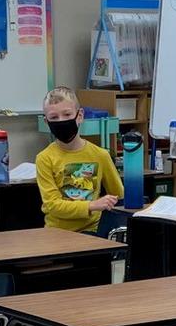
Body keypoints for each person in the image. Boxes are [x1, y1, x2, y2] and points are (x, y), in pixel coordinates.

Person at [37, 87, 121, 234]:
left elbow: (118, 194)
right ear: (46, 121)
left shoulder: (100, 155)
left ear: (80, 115)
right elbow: (53, 205)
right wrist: (91, 205)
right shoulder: (44, 158)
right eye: (54, 117)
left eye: (67, 114)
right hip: (57, 233)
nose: (61, 121)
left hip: (93, 231)